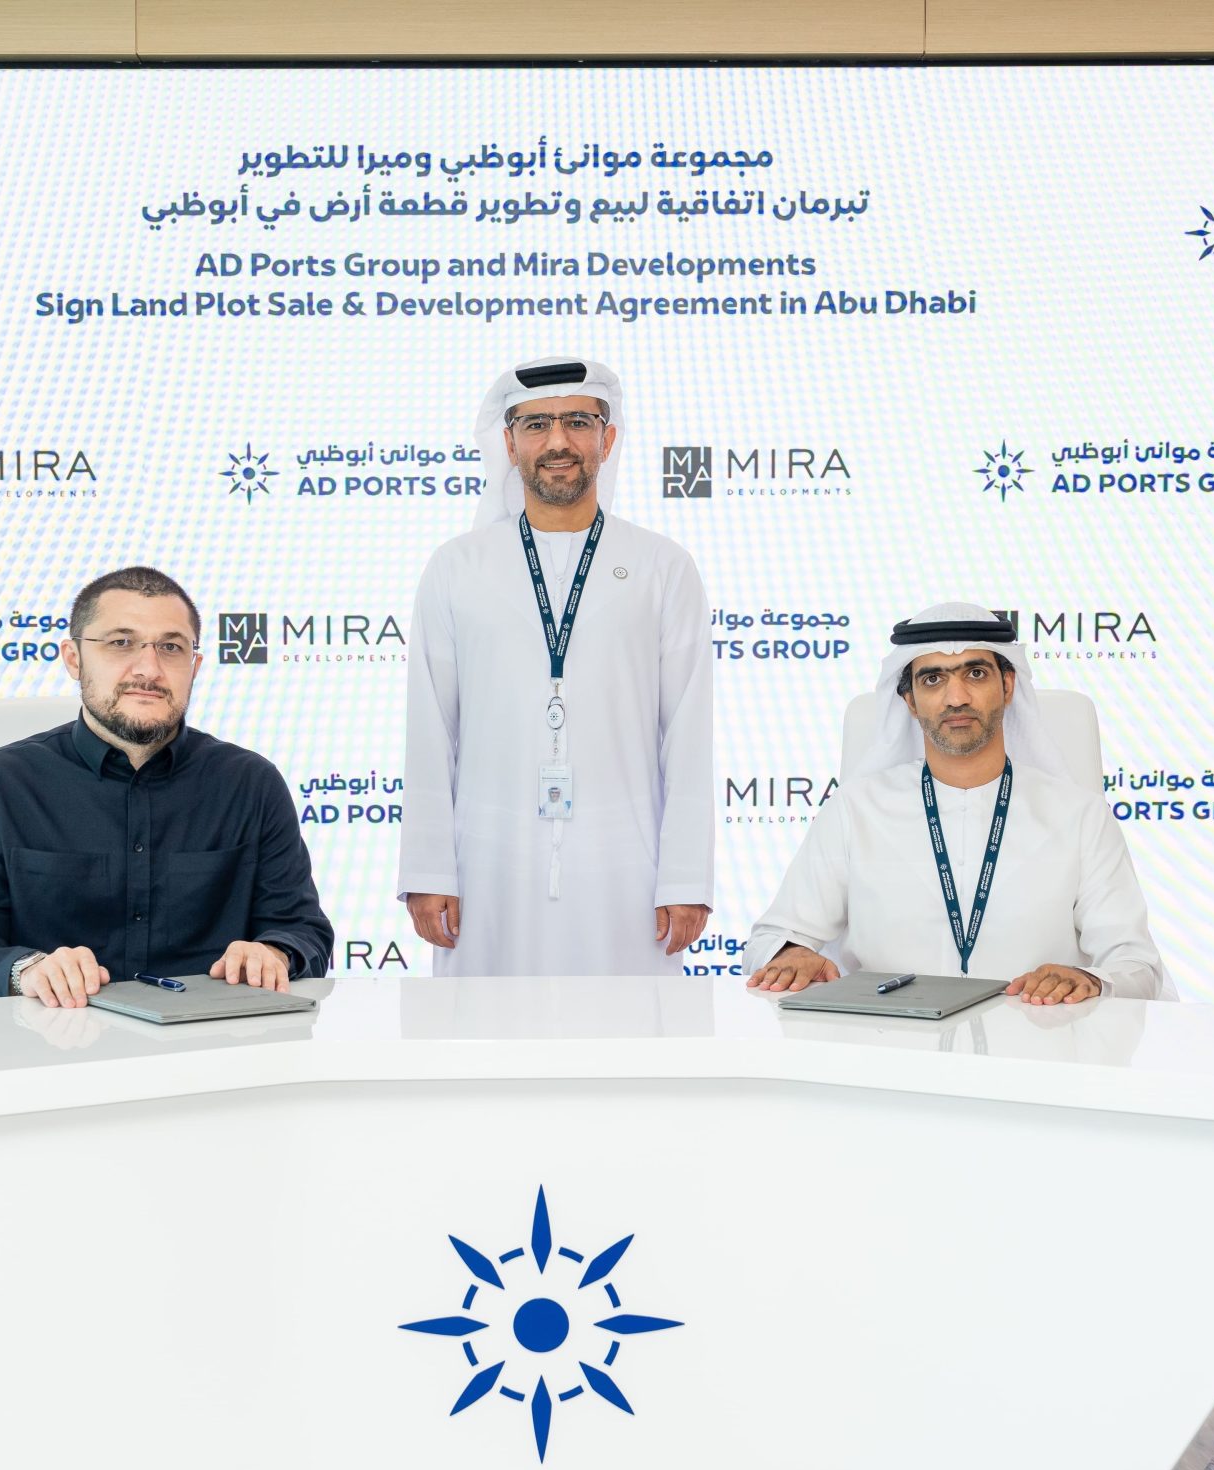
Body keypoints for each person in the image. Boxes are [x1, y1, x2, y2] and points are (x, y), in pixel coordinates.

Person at [399, 357, 714, 975]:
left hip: (626, 867)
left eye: (578, 421)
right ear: (509, 442)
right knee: (486, 1027)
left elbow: (688, 732)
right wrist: (429, 870)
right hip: (488, 865)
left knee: (628, 1026)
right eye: (537, 425)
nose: (558, 442)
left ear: (608, 438)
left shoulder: (662, 566)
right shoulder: (458, 567)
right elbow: (430, 727)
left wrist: (685, 878)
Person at [0, 565, 333, 1007]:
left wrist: (274, 952)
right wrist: (27, 971)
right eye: (121, 642)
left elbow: (301, 929)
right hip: (51, 1038)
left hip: (212, 1039)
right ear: (74, 659)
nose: (149, 669)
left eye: (171, 647)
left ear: (194, 666)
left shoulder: (251, 784)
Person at [742, 603, 1167, 1004]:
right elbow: (772, 937)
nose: (956, 697)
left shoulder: (1080, 816)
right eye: (933, 679)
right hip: (883, 1043)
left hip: (1039, 1041)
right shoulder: (855, 809)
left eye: (976, 674)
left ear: (1008, 686)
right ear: (910, 701)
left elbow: (1137, 965)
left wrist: (1089, 979)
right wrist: (791, 955)